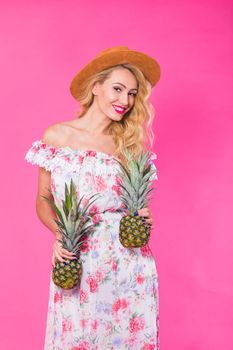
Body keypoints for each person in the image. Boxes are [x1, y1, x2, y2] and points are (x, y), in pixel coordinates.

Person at [25, 46, 161, 350]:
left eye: (131, 94)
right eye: (117, 88)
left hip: (128, 260)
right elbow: (42, 199)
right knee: (76, 338)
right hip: (78, 255)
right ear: (96, 87)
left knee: (128, 339)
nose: (124, 100)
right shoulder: (58, 137)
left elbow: (138, 205)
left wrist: (145, 216)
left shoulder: (129, 146)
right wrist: (61, 234)